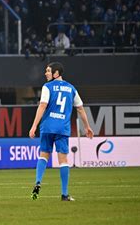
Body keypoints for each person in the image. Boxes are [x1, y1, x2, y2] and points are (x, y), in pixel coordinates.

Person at [29, 62, 93, 201]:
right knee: (63, 160)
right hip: (62, 128)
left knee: (44, 155)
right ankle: (64, 194)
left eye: (48, 71)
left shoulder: (47, 87)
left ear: (56, 73)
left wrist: (34, 126)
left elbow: (42, 106)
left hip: (47, 127)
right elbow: (80, 108)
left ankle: (38, 182)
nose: (45, 73)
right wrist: (87, 127)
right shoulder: (71, 89)